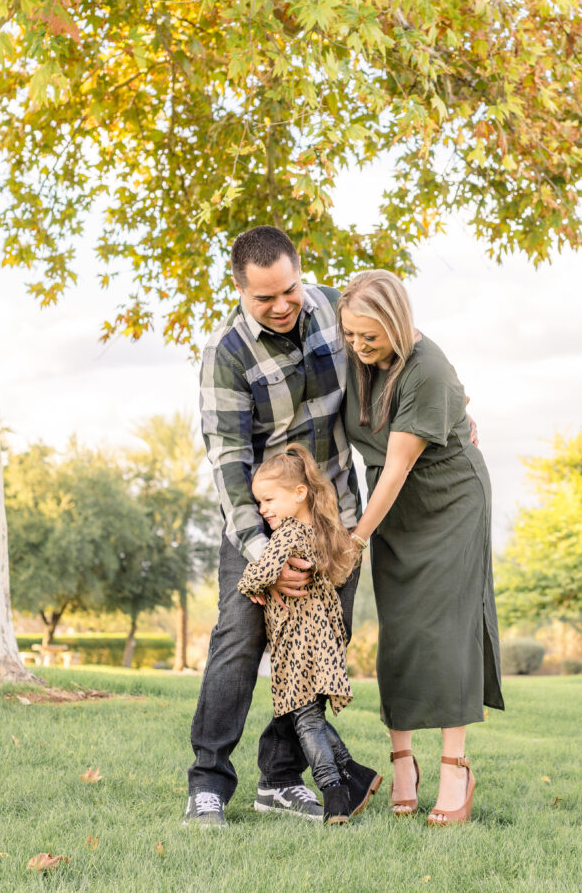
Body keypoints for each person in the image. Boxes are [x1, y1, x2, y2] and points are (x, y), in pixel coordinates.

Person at [185, 226, 378, 828]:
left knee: (319, 646)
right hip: (261, 525)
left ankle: (280, 779)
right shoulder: (228, 352)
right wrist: (264, 550)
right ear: (240, 289)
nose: (280, 305)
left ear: (301, 272)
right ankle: (208, 783)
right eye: (263, 297)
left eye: (288, 289)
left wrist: (456, 403)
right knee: (239, 644)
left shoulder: (335, 309)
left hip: (336, 520)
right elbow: (228, 460)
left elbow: (396, 348)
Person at [338, 269, 505, 825]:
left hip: (448, 499)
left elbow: (398, 466)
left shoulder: (426, 368)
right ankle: (402, 761)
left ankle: (456, 766)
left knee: (447, 630)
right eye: (351, 336)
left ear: (398, 324)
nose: (359, 348)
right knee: (402, 631)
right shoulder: (350, 346)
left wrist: (357, 539)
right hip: (397, 507)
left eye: (371, 338)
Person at [237, 444, 382, 824]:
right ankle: (355, 773)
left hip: (299, 642)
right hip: (324, 639)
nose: (262, 509)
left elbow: (257, 573)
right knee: (309, 715)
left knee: (305, 719)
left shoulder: (287, 534)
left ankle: (334, 793)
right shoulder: (324, 530)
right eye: (259, 502)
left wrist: (251, 584)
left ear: (299, 493)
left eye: (269, 499)